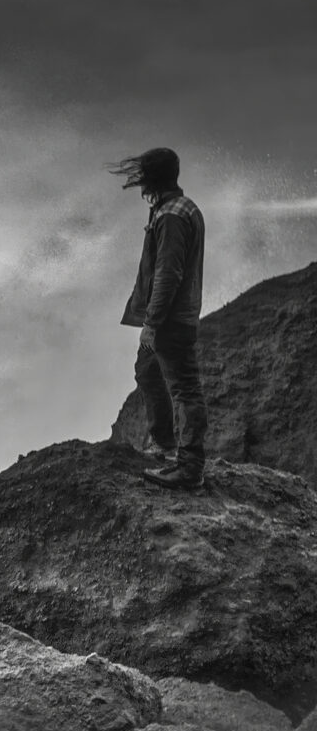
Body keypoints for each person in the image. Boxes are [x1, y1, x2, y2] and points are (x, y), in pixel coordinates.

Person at [114, 147, 207, 489]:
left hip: (170, 320)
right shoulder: (182, 208)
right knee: (148, 372)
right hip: (177, 316)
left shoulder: (170, 215)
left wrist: (152, 324)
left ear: (152, 178)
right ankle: (166, 446)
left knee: (184, 389)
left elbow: (168, 273)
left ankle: (189, 466)